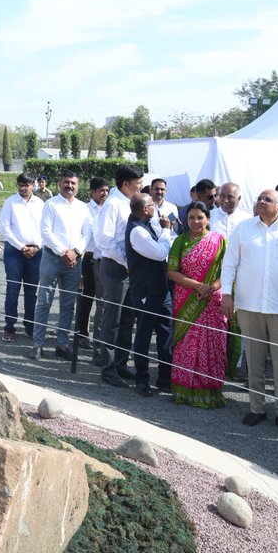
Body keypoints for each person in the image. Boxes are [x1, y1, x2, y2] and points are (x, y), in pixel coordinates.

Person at [220, 189, 278, 435]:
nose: (261, 202)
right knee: (254, 360)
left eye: (267, 200)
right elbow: (229, 263)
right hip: (249, 304)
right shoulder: (244, 228)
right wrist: (226, 295)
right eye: (259, 198)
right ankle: (257, 408)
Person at [167, 201, 234, 408]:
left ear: (208, 219)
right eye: (191, 218)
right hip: (187, 299)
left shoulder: (220, 241)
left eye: (200, 217)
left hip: (213, 301)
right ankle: (183, 391)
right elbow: (171, 271)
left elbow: (229, 270)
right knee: (186, 343)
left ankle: (211, 392)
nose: (195, 222)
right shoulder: (180, 241)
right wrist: (198, 286)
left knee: (214, 344)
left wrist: (211, 287)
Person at [29, 172, 92, 360]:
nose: (70, 186)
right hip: (52, 258)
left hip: (75, 260)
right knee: (44, 302)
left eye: (73, 183)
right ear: (59, 184)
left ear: (78, 186)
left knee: (68, 304)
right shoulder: (51, 204)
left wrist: (76, 251)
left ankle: (62, 344)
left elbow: (87, 233)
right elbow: (46, 232)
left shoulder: (83, 208)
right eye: (66, 182)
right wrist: (63, 252)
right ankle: (38, 344)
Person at [95, 164, 146, 383]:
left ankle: (121, 363)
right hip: (116, 266)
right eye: (138, 184)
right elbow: (104, 239)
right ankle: (108, 369)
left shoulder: (130, 203)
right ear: (126, 184)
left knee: (127, 319)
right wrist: (127, 262)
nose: (141, 187)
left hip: (130, 269)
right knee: (112, 318)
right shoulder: (113, 204)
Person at [126, 192, 176, 396]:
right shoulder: (137, 231)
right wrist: (165, 230)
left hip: (161, 289)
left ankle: (165, 377)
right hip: (146, 291)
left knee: (166, 333)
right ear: (144, 209)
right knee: (144, 335)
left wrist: (163, 228)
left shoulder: (148, 224)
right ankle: (142, 379)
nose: (155, 207)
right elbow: (159, 253)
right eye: (152, 205)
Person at [0, 174, 45, 342]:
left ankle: (30, 325)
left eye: (26, 185)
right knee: (13, 289)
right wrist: (22, 247)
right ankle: (9, 326)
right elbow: (4, 228)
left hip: (36, 251)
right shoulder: (10, 202)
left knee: (32, 291)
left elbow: (45, 228)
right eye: (20, 185)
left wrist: (37, 246)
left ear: (33, 185)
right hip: (14, 251)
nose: (23, 188)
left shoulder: (40, 204)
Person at [80, 176, 110, 349]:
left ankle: (101, 337)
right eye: (101, 191)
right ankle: (82, 333)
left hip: (104, 257)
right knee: (87, 296)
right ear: (93, 192)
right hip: (89, 256)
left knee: (103, 299)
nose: (104, 194)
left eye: (106, 190)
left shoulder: (109, 208)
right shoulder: (85, 209)